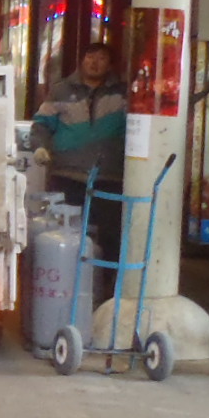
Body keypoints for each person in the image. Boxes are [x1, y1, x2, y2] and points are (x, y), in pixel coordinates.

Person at [31, 43, 129, 289]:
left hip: (109, 178)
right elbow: (41, 124)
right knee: (64, 233)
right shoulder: (61, 90)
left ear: (110, 64)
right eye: (90, 57)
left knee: (110, 238)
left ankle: (105, 290)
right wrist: (40, 147)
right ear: (81, 60)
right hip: (67, 176)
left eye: (101, 58)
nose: (94, 63)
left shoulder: (123, 94)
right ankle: (65, 286)